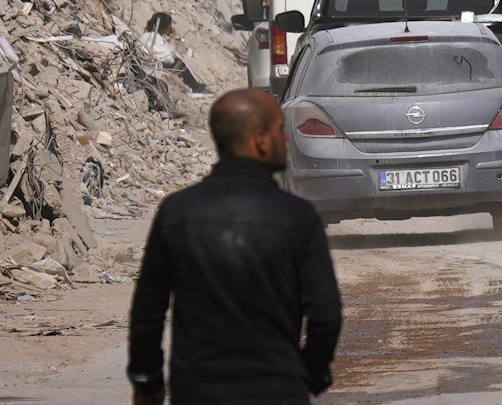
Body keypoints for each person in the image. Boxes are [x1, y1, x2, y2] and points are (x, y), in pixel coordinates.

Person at [128, 89, 342, 404]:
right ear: (261, 140)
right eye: (280, 129)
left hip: (197, 391)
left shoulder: (177, 212)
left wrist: (148, 383)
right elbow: (325, 315)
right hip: (278, 391)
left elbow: (148, 312)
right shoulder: (297, 216)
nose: (286, 138)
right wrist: (311, 372)